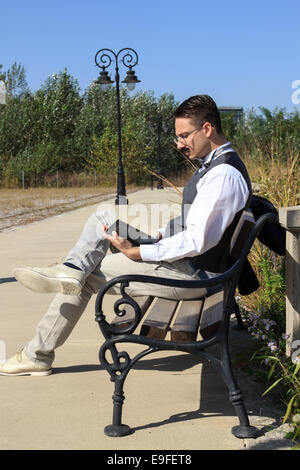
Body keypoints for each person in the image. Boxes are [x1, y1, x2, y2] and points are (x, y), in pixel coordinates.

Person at [0, 95, 252, 376]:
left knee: (86, 278)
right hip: (189, 265)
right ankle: (70, 268)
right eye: (177, 137)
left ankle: (38, 354)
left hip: (192, 277)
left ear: (206, 129)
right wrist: (160, 235)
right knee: (104, 216)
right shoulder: (218, 166)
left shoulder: (223, 176)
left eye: (184, 136)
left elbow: (197, 240)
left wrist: (139, 252)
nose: (180, 144)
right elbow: (195, 223)